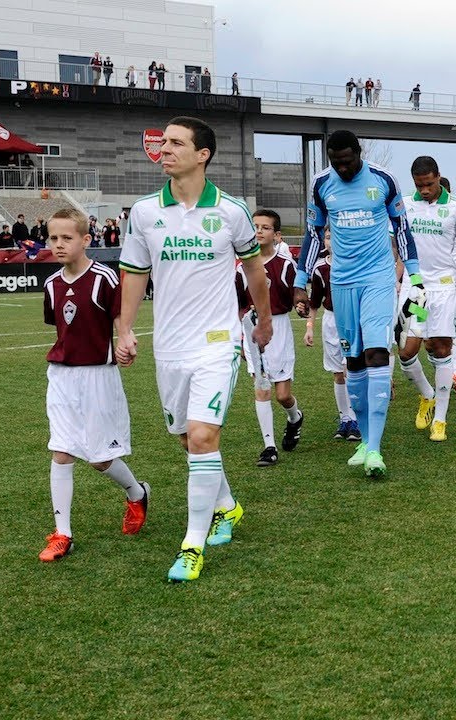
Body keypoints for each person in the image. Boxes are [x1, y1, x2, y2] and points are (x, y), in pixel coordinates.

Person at [117, 116, 274, 583]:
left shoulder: (231, 212)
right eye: (162, 142)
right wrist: (124, 329)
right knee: (188, 440)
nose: (163, 149)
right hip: (169, 348)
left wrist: (263, 321)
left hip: (217, 343)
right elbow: (134, 274)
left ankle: (192, 545)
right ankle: (228, 507)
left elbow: (255, 274)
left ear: (202, 154)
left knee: (204, 438)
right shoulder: (145, 212)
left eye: (175, 143)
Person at [293, 131, 419, 477]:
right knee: (353, 362)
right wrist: (300, 282)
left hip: (378, 278)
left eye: (348, 160)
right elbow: (313, 235)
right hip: (342, 281)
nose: (343, 168)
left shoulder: (383, 180)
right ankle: (364, 439)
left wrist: (415, 276)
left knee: (377, 352)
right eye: (337, 162)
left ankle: (375, 448)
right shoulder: (321, 184)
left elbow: (403, 228)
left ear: (358, 153)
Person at [38, 208, 149, 563]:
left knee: (101, 458)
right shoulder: (51, 284)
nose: (59, 244)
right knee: (62, 451)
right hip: (61, 376)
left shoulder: (105, 278)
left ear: (86, 240)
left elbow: (120, 318)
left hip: (98, 376)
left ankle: (136, 493)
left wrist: (125, 340)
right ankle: (62, 534)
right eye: (53, 238)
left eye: (67, 238)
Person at [396, 156, 456, 442]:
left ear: (438, 177)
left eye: (429, 184)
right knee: (406, 352)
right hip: (415, 288)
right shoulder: (405, 205)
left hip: (444, 289)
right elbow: (398, 247)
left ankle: (440, 420)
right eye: (420, 185)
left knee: (442, 349)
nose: (425, 189)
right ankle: (427, 395)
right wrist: (396, 280)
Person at [238, 209, 305, 467]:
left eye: (265, 227)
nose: (258, 231)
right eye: (255, 226)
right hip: (253, 331)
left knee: (282, 395)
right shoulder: (241, 266)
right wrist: (241, 335)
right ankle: (269, 446)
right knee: (262, 388)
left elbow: (296, 298)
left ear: (276, 235)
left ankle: (295, 417)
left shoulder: (286, 265)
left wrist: (300, 308)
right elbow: (236, 303)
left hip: (279, 329)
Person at [304, 229, 361, 441]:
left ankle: (356, 418)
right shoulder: (320, 268)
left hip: (351, 320)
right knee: (337, 372)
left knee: (351, 370)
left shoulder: (354, 263)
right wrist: (309, 326)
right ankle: (344, 419)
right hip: (330, 321)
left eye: (336, 236)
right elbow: (314, 301)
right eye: (328, 238)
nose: (331, 242)